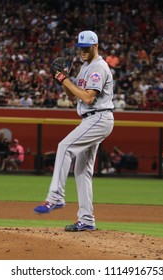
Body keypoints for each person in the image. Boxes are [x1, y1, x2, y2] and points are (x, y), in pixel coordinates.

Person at [34, 30, 115, 232]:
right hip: (93, 118)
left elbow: (88, 98)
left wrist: (66, 80)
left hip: (98, 117)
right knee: (82, 171)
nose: (82, 52)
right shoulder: (86, 67)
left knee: (64, 147)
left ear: (96, 46)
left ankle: (55, 197)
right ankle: (87, 220)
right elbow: (73, 96)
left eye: (86, 48)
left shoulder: (98, 68)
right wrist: (63, 80)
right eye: (80, 48)